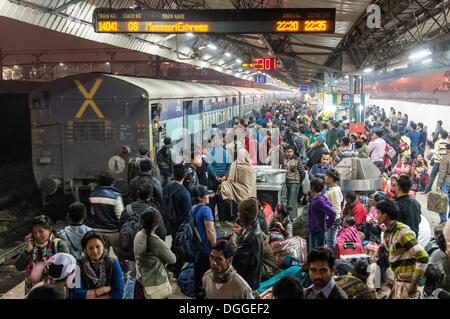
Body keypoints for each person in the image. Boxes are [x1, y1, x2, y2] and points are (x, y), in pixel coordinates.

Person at [119, 183, 166, 299]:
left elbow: (120, 228)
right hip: (147, 250)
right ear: (150, 196)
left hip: (131, 249)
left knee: (133, 274)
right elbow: (162, 232)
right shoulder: (154, 212)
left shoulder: (127, 209)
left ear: (137, 193)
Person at [375, 198, 429, 299]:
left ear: (385, 216)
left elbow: (423, 257)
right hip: (401, 280)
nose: (376, 216)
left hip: (410, 284)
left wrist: (413, 284)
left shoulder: (402, 232)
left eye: (378, 213)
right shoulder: (389, 233)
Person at [15, 215, 69, 294]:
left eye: (40, 232)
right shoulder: (32, 246)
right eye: (34, 233)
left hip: (55, 293)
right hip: (35, 293)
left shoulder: (58, 245)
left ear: (49, 230)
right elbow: (19, 267)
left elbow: (67, 270)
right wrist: (28, 250)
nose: (37, 236)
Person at [133, 207, 176, 299]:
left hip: (140, 280)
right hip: (155, 285)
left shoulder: (138, 235)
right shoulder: (155, 241)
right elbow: (172, 259)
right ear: (157, 224)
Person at [72, 231, 124, 299]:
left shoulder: (113, 263)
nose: (95, 251)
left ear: (103, 245)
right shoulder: (78, 265)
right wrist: (102, 290)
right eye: (90, 248)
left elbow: (118, 294)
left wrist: (89, 294)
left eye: (98, 247)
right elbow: (77, 293)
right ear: (85, 249)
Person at [88, 171, 124, 265]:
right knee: (121, 255)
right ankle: (123, 274)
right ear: (112, 183)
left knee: (102, 256)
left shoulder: (93, 195)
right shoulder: (116, 196)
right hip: (113, 231)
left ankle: (104, 274)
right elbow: (120, 216)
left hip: (99, 231)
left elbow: (92, 213)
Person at [165, 164, 192, 278]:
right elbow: (187, 214)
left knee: (173, 245)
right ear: (185, 176)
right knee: (180, 247)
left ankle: (169, 267)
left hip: (167, 223)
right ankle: (175, 272)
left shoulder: (166, 187)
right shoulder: (184, 193)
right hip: (179, 225)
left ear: (172, 175)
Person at [190, 185, 217, 299]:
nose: (209, 196)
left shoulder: (193, 208)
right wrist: (215, 247)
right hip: (206, 248)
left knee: (198, 274)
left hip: (196, 247)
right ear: (200, 198)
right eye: (206, 194)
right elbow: (210, 230)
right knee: (207, 276)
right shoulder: (206, 210)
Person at [233, 198, 264, 291]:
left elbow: (239, 259)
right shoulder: (251, 226)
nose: (237, 214)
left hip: (248, 282)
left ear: (246, 215)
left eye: (239, 212)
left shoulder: (251, 237)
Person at [222, 148, 257, 220]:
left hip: (237, 194)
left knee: (238, 213)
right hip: (249, 195)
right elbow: (252, 182)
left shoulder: (235, 165)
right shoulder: (250, 167)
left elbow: (230, 179)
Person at [206, 135, 232, 224]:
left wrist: (216, 177)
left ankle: (212, 220)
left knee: (212, 201)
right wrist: (225, 176)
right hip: (224, 181)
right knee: (222, 200)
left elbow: (210, 167)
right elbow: (229, 166)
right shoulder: (227, 153)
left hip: (213, 181)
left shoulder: (209, 154)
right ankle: (222, 219)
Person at [308, 178, 336, 250]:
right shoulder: (319, 197)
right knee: (313, 252)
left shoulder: (319, 200)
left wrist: (328, 225)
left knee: (317, 253)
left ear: (313, 187)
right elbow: (330, 204)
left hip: (318, 230)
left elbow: (332, 212)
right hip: (313, 229)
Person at [283, 144, 306, 220]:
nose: (289, 153)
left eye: (291, 151)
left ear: (293, 152)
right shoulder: (284, 159)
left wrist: (298, 181)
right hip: (286, 182)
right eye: (287, 151)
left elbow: (302, 172)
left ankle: (292, 218)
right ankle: (286, 217)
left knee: (292, 201)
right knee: (286, 200)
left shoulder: (297, 159)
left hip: (294, 183)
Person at [324, 169, 343, 251]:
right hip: (332, 218)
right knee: (330, 239)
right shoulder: (333, 189)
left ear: (331, 178)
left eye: (327, 176)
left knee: (331, 240)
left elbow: (336, 208)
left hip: (333, 219)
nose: (325, 177)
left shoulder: (334, 191)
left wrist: (332, 221)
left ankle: (334, 257)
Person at [424, 130, 448, 194]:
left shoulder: (437, 142)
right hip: (444, 162)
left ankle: (427, 189)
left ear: (441, 135)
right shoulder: (447, 143)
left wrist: (433, 153)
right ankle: (442, 190)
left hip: (438, 161)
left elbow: (437, 152)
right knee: (443, 176)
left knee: (432, 175)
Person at [437, 143, 450, 224]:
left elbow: (442, 172)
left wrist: (438, 184)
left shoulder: (446, 158)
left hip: (446, 181)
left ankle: (443, 220)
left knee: (443, 201)